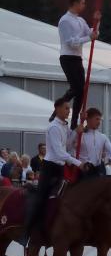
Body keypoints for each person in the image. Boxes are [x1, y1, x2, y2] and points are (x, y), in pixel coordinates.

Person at [26, 97, 83, 237]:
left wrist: (76, 132)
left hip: (59, 168)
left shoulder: (64, 126)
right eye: (66, 108)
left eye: (69, 108)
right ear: (57, 109)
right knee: (42, 197)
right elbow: (58, 152)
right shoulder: (53, 127)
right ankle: (30, 228)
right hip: (49, 167)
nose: (68, 111)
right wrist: (78, 163)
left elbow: (68, 145)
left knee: (64, 197)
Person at [58, 0, 101, 129]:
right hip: (67, 57)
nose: (84, 5)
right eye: (82, 3)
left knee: (81, 90)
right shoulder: (65, 20)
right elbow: (71, 42)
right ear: (75, 3)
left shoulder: (80, 20)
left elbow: (91, 33)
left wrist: (97, 22)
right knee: (76, 88)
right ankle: (58, 109)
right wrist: (90, 38)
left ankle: (74, 120)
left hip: (77, 58)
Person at [67, 108, 111, 177]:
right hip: (83, 171)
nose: (99, 122)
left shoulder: (102, 137)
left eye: (100, 119)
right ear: (88, 119)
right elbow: (67, 146)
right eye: (96, 119)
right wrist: (75, 132)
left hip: (98, 171)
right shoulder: (79, 134)